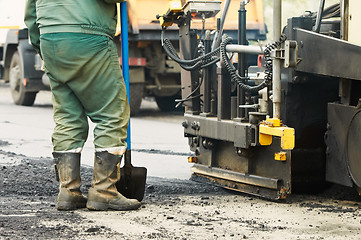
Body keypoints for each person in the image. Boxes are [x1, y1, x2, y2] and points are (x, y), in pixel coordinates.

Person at [24, 0, 141, 211]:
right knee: (112, 113)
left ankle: (68, 191)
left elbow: (31, 13)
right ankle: (103, 191)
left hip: (51, 40)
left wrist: (43, 47)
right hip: (88, 37)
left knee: (68, 117)